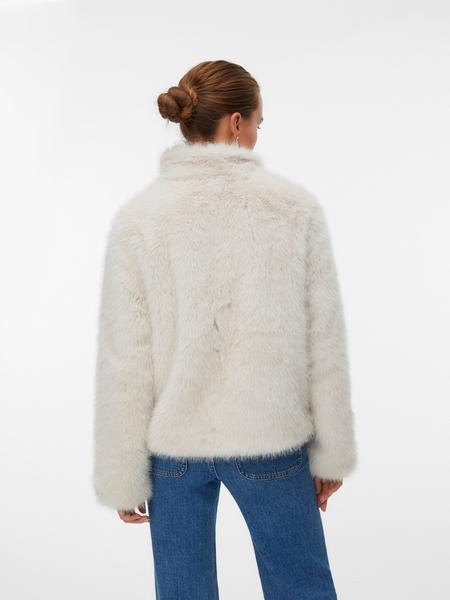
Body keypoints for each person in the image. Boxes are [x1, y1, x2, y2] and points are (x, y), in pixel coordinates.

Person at [92, 59, 357, 599]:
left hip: (173, 448)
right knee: (302, 588)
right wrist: (330, 452)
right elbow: (322, 341)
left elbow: (127, 357)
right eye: (258, 122)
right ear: (236, 122)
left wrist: (123, 470)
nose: (257, 134)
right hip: (268, 438)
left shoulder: (140, 219)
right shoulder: (293, 210)